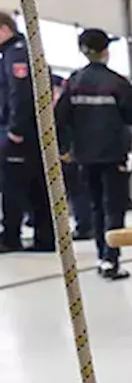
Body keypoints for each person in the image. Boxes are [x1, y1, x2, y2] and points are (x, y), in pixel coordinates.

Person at [56, 28, 132, 280]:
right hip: (114, 154)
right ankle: (111, 258)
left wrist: (65, 149)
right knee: (114, 206)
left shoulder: (73, 82)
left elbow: (60, 117)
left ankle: (101, 256)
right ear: (106, 51)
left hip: (84, 155)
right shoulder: (118, 82)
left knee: (95, 206)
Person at [0, 13, 53, 254]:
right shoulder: (24, 50)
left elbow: (20, 94)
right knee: (34, 185)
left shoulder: (16, 53)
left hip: (22, 133)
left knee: (14, 185)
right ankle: (44, 237)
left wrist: (15, 130)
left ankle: (11, 236)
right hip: (31, 131)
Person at [52, 73, 95, 242]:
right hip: (79, 151)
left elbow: (63, 127)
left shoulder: (63, 105)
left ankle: (85, 225)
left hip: (70, 152)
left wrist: (65, 150)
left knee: (77, 190)